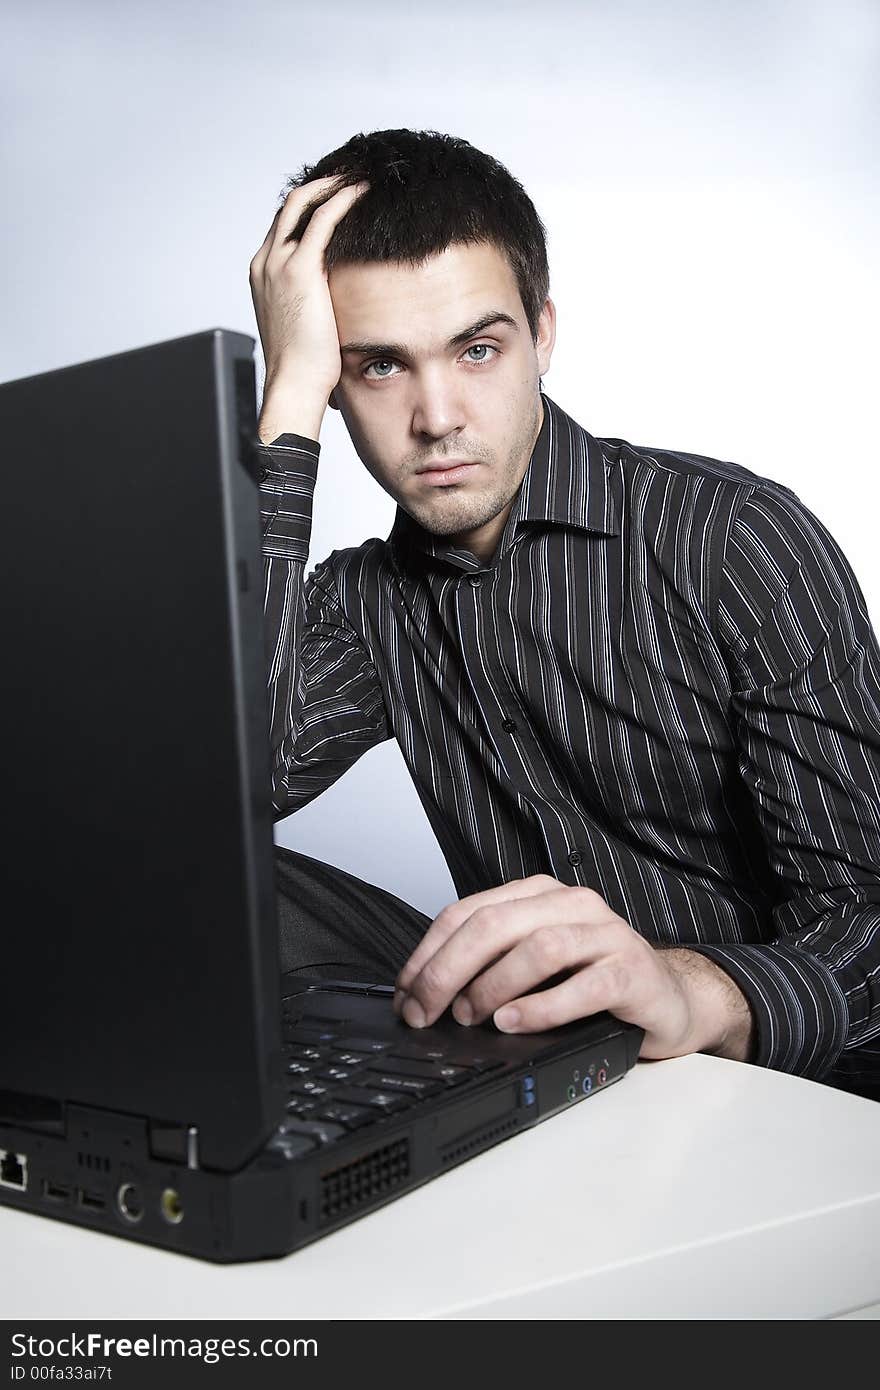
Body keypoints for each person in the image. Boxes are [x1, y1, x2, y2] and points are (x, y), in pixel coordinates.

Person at [248, 127, 880, 1099]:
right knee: (207, 878)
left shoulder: (730, 539)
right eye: (378, 366)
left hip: (778, 1083)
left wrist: (693, 985)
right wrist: (284, 405)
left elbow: (868, 911)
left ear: (542, 334)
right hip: (537, 1061)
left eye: (476, 349)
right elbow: (217, 792)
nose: (437, 415)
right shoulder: (365, 600)